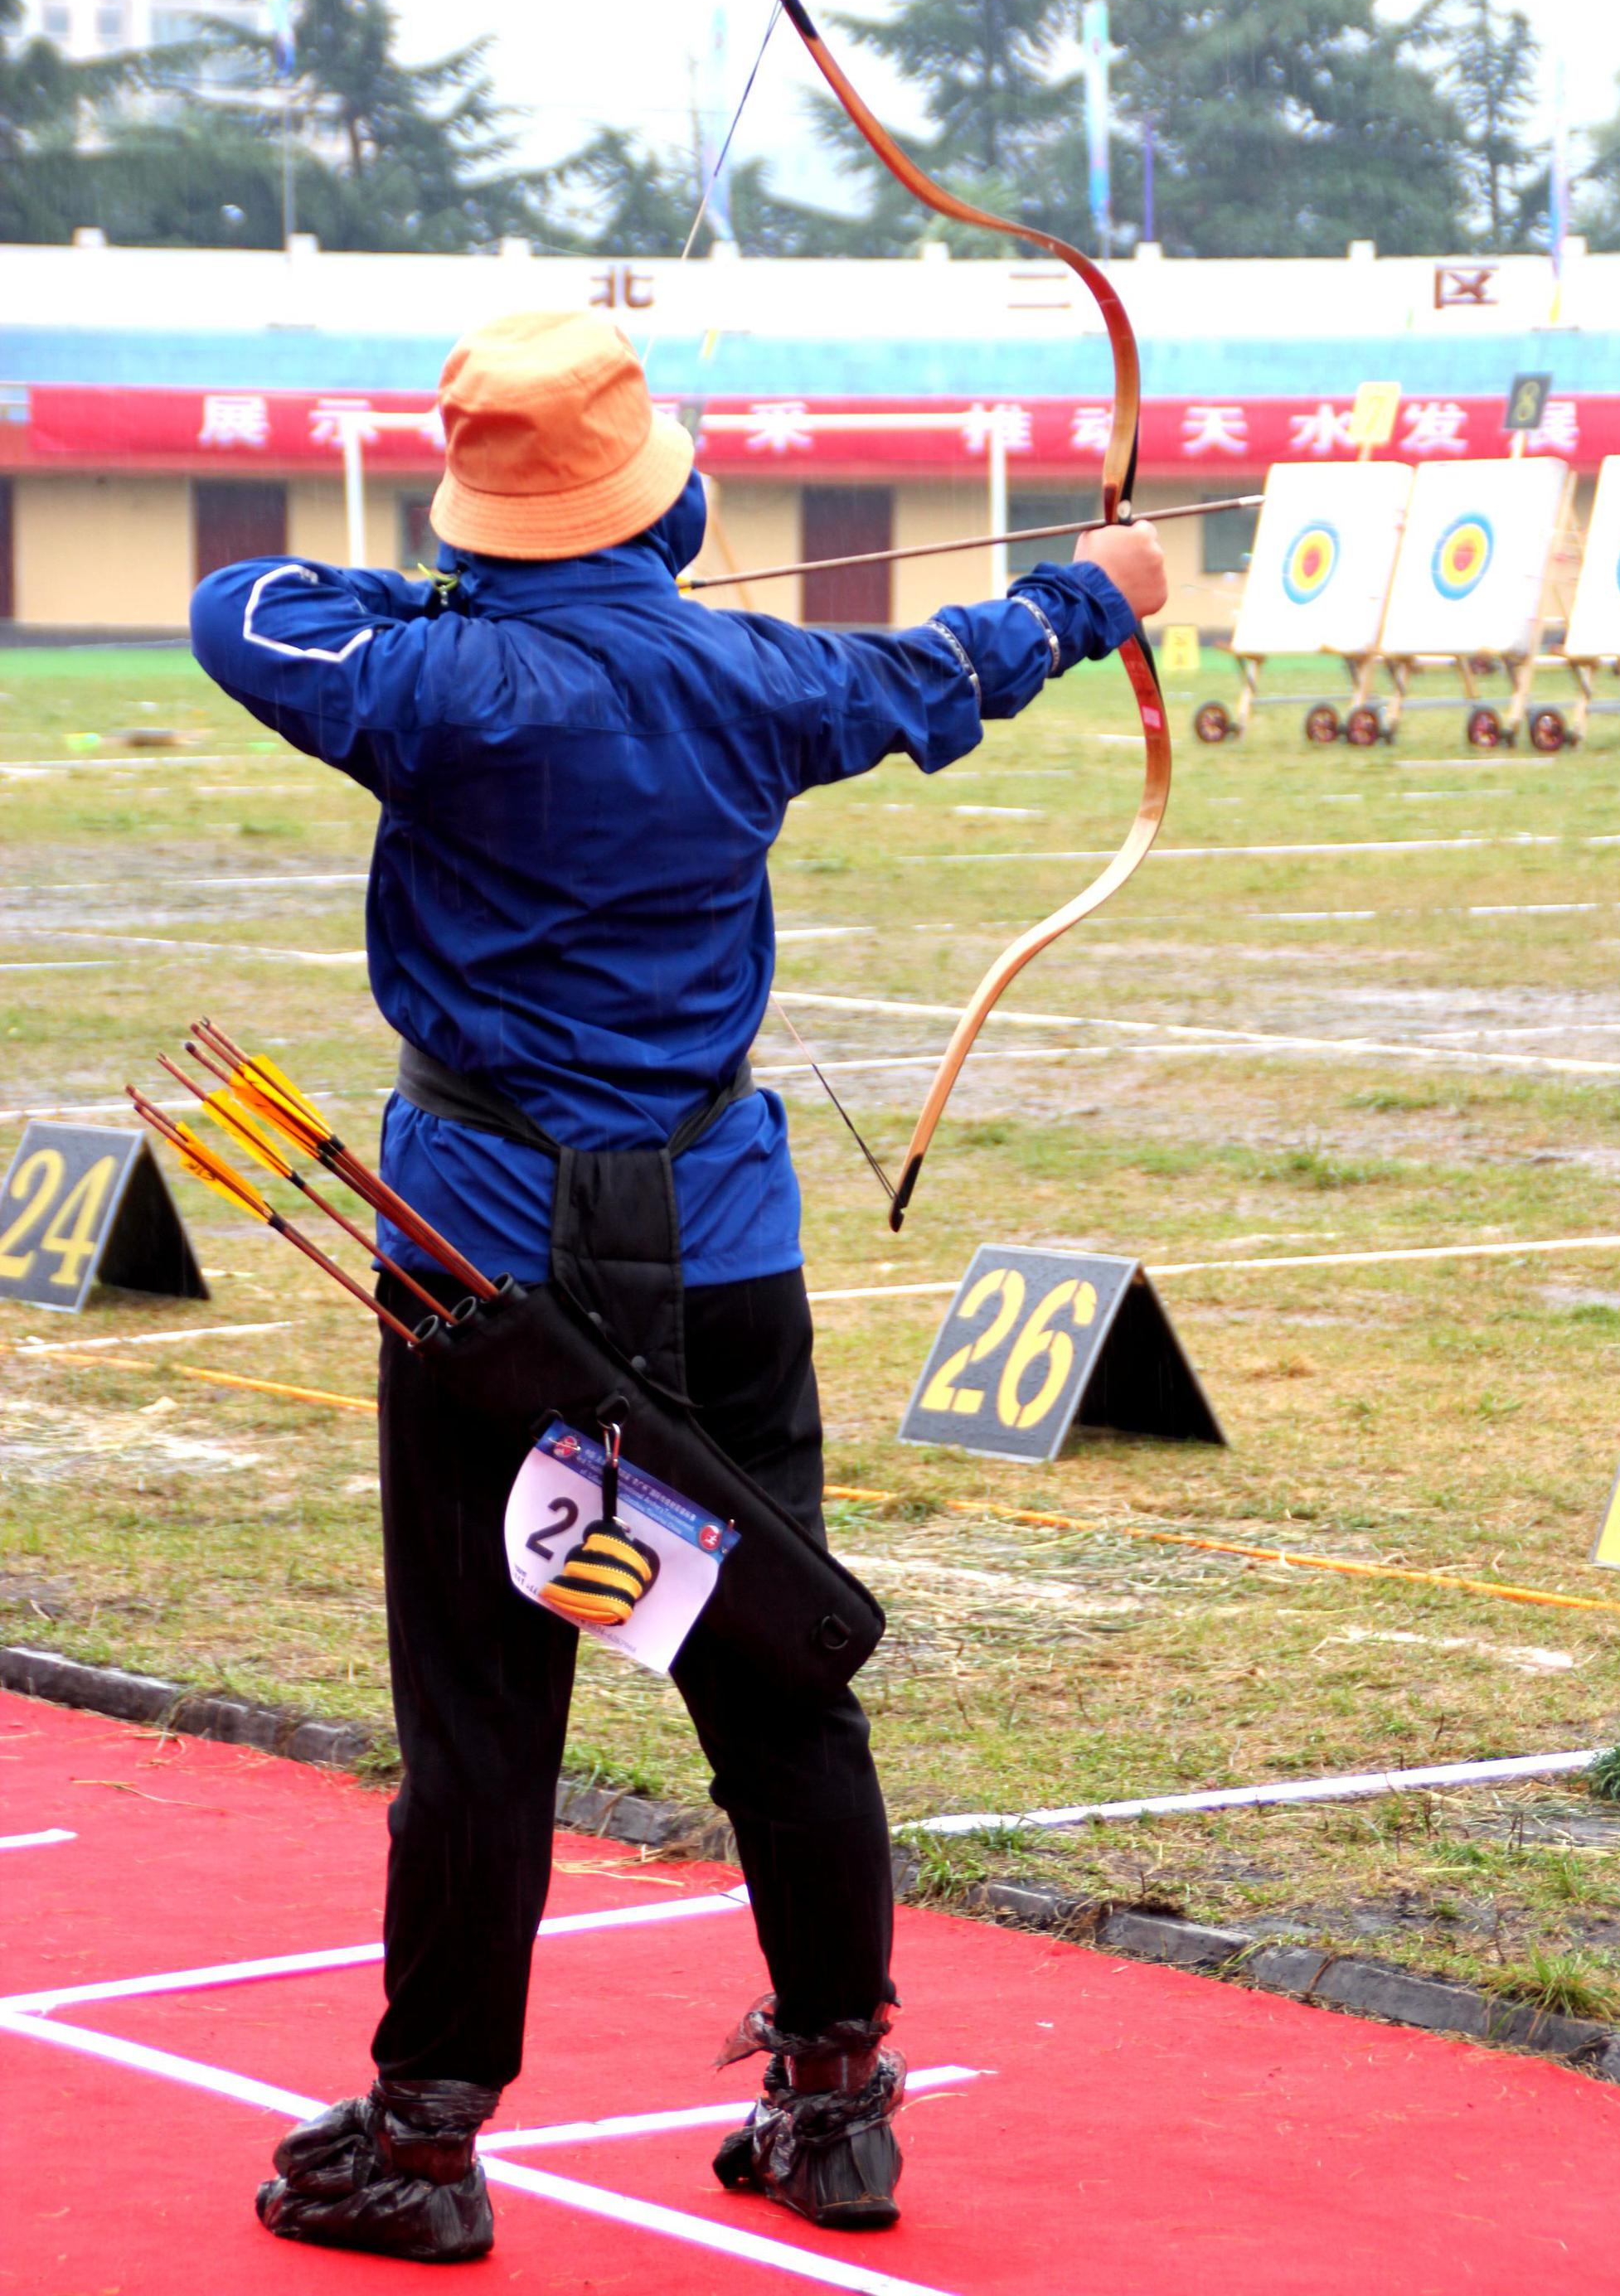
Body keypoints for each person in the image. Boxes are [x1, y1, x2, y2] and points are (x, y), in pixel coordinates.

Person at [189, 308, 1167, 2263]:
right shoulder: (756, 675)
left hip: (481, 1265)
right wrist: (1096, 590)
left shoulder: (426, 679)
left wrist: (473, 584)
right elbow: (948, 668)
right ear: (670, 499)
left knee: (484, 1709)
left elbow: (242, 604)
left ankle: (424, 2139)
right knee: (774, 1666)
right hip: (716, 1248)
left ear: (481, 516)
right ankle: (830, 2106)